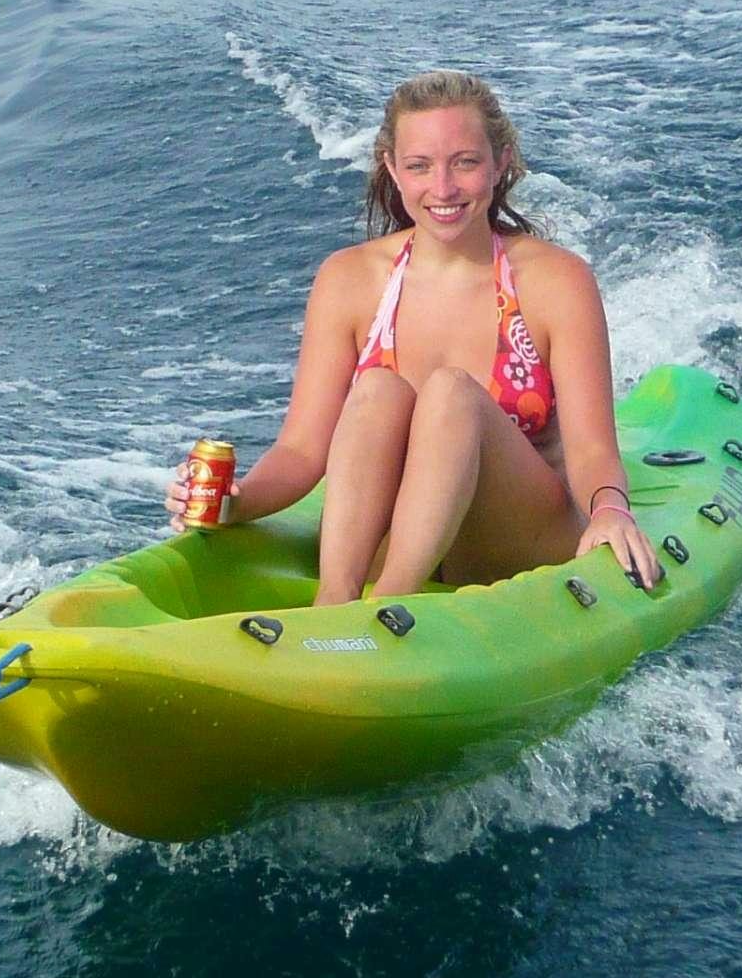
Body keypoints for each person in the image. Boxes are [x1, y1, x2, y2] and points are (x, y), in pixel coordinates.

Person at [164, 69, 660, 604]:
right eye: (420, 166)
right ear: (393, 170)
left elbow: (590, 449)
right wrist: (233, 504)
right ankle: (335, 601)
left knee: (451, 393)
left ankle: (384, 610)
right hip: (395, 535)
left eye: (465, 162)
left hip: (514, 541)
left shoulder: (556, 280)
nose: (442, 189)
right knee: (378, 388)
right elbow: (302, 449)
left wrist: (611, 510)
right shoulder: (349, 278)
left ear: (502, 162)